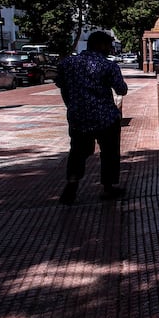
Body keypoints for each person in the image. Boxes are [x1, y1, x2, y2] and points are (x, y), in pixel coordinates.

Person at [55, 31, 128, 204]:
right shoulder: (108, 66)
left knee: (78, 152)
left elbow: (62, 86)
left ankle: (72, 184)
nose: (111, 49)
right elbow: (121, 90)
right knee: (109, 153)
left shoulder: (67, 64)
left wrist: (72, 105)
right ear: (101, 45)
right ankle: (108, 188)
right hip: (105, 117)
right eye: (109, 45)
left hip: (78, 117)